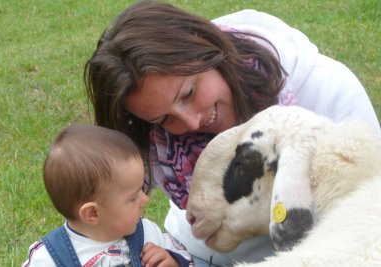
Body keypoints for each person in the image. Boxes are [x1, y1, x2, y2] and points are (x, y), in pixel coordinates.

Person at [84, 1, 381, 266]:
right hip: (187, 254)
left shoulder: (325, 88)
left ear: (206, 47)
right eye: (164, 119)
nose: (190, 122)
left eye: (189, 93)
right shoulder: (155, 138)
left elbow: (368, 209)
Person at [22, 125, 194, 267]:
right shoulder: (49, 258)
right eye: (133, 198)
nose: (145, 200)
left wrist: (174, 262)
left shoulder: (148, 234)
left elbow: (186, 259)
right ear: (92, 214)